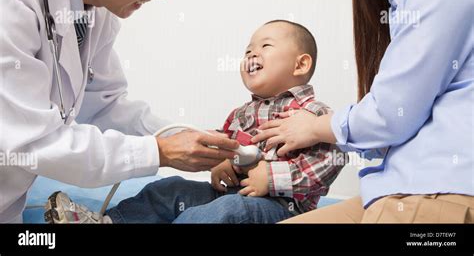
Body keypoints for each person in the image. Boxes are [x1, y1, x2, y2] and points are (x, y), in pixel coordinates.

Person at [0, 0, 239, 224]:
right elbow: (33, 142)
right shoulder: (10, 0)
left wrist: (192, 141)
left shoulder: (96, 9)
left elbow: (103, 108)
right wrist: (161, 151)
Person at [252, 0, 474, 223]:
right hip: (393, 190)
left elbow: (390, 114)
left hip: (441, 189)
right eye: (249, 48)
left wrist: (316, 128)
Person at [45, 20, 345, 223]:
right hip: (231, 193)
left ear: (301, 64)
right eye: (248, 49)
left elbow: (331, 160)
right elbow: (228, 148)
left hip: (282, 208)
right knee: (169, 188)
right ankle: (109, 221)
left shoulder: (313, 113)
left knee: (222, 211)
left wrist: (274, 179)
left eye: (265, 46)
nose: (252, 52)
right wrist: (221, 162)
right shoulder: (241, 115)